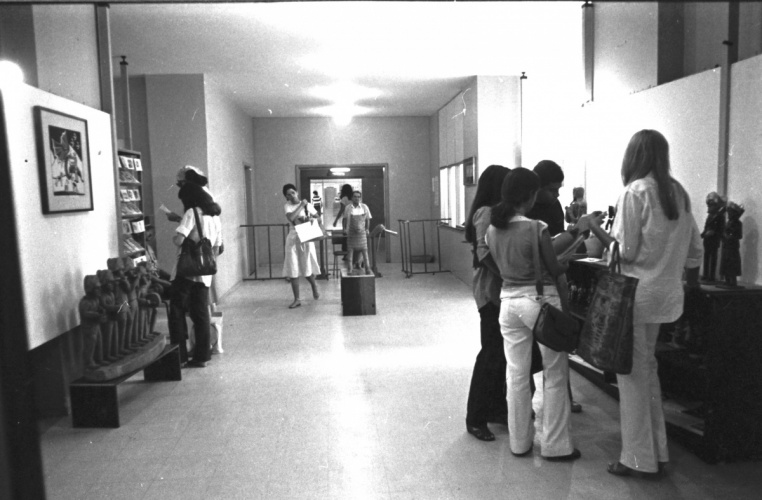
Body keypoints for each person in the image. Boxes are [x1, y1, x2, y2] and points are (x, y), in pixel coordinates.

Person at [588, 129, 702, 476]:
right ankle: (658, 453)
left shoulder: (635, 192)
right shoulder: (678, 193)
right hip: (666, 297)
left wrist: (596, 228)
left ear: (633, 156)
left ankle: (637, 459)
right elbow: (696, 251)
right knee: (647, 373)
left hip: (636, 298)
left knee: (633, 377)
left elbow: (625, 251)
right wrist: (689, 288)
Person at [486, 167, 580, 461]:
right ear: (529, 196)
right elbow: (554, 268)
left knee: (515, 375)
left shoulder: (493, 228)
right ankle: (555, 445)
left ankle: (519, 443)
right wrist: (573, 249)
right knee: (553, 373)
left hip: (508, 304)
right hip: (540, 302)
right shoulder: (536, 227)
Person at [526, 160, 582, 414]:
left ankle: (564, 399)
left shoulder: (554, 205)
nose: (557, 195)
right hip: (533, 285)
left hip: (554, 280)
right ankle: (527, 401)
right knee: (530, 348)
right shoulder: (525, 207)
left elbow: (557, 242)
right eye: (552, 189)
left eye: (559, 189)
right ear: (536, 187)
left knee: (558, 342)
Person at [463, 164, 510, 441]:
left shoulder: (499, 212)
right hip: (490, 292)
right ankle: (476, 417)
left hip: (500, 291)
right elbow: (483, 253)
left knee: (500, 355)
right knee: (490, 354)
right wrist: (507, 274)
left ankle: (495, 408)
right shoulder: (486, 213)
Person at [168, 181, 223, 367]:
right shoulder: (215, 217)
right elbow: (216, 248)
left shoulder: (191, 213)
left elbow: (178, 240)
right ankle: (202, 356)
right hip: (205, 275)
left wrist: (176, 233)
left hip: (186, 272)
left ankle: (180, 355)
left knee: (176, 311)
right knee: (201, 314)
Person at [282, 183, 321, 308]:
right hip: (293, 238)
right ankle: (297, 299)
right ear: (286, 197)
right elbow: (291, 217)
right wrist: (301, 205)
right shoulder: (287, 206)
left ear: (297, 192)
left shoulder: (308, 205)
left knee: (306, 266)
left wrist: (311, 219)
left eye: (293, 192)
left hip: (306, 236)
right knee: (293, 268)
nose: (291, 196)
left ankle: (314, 285)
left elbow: (318, 218)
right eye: (288, 194)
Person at [344, 190, 372, 275]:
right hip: (351, 233)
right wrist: (344, 229)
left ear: (360, 198)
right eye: (355, 196)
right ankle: (350, 268)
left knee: (364, 251)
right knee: (350, 252)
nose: (357, 198)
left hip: (362, 234)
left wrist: (367, 229)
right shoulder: (348, 208)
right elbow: (345, 219)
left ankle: (367, 268)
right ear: (352, 198)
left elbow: (367, 219)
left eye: (358, 197)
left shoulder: (364, 207)